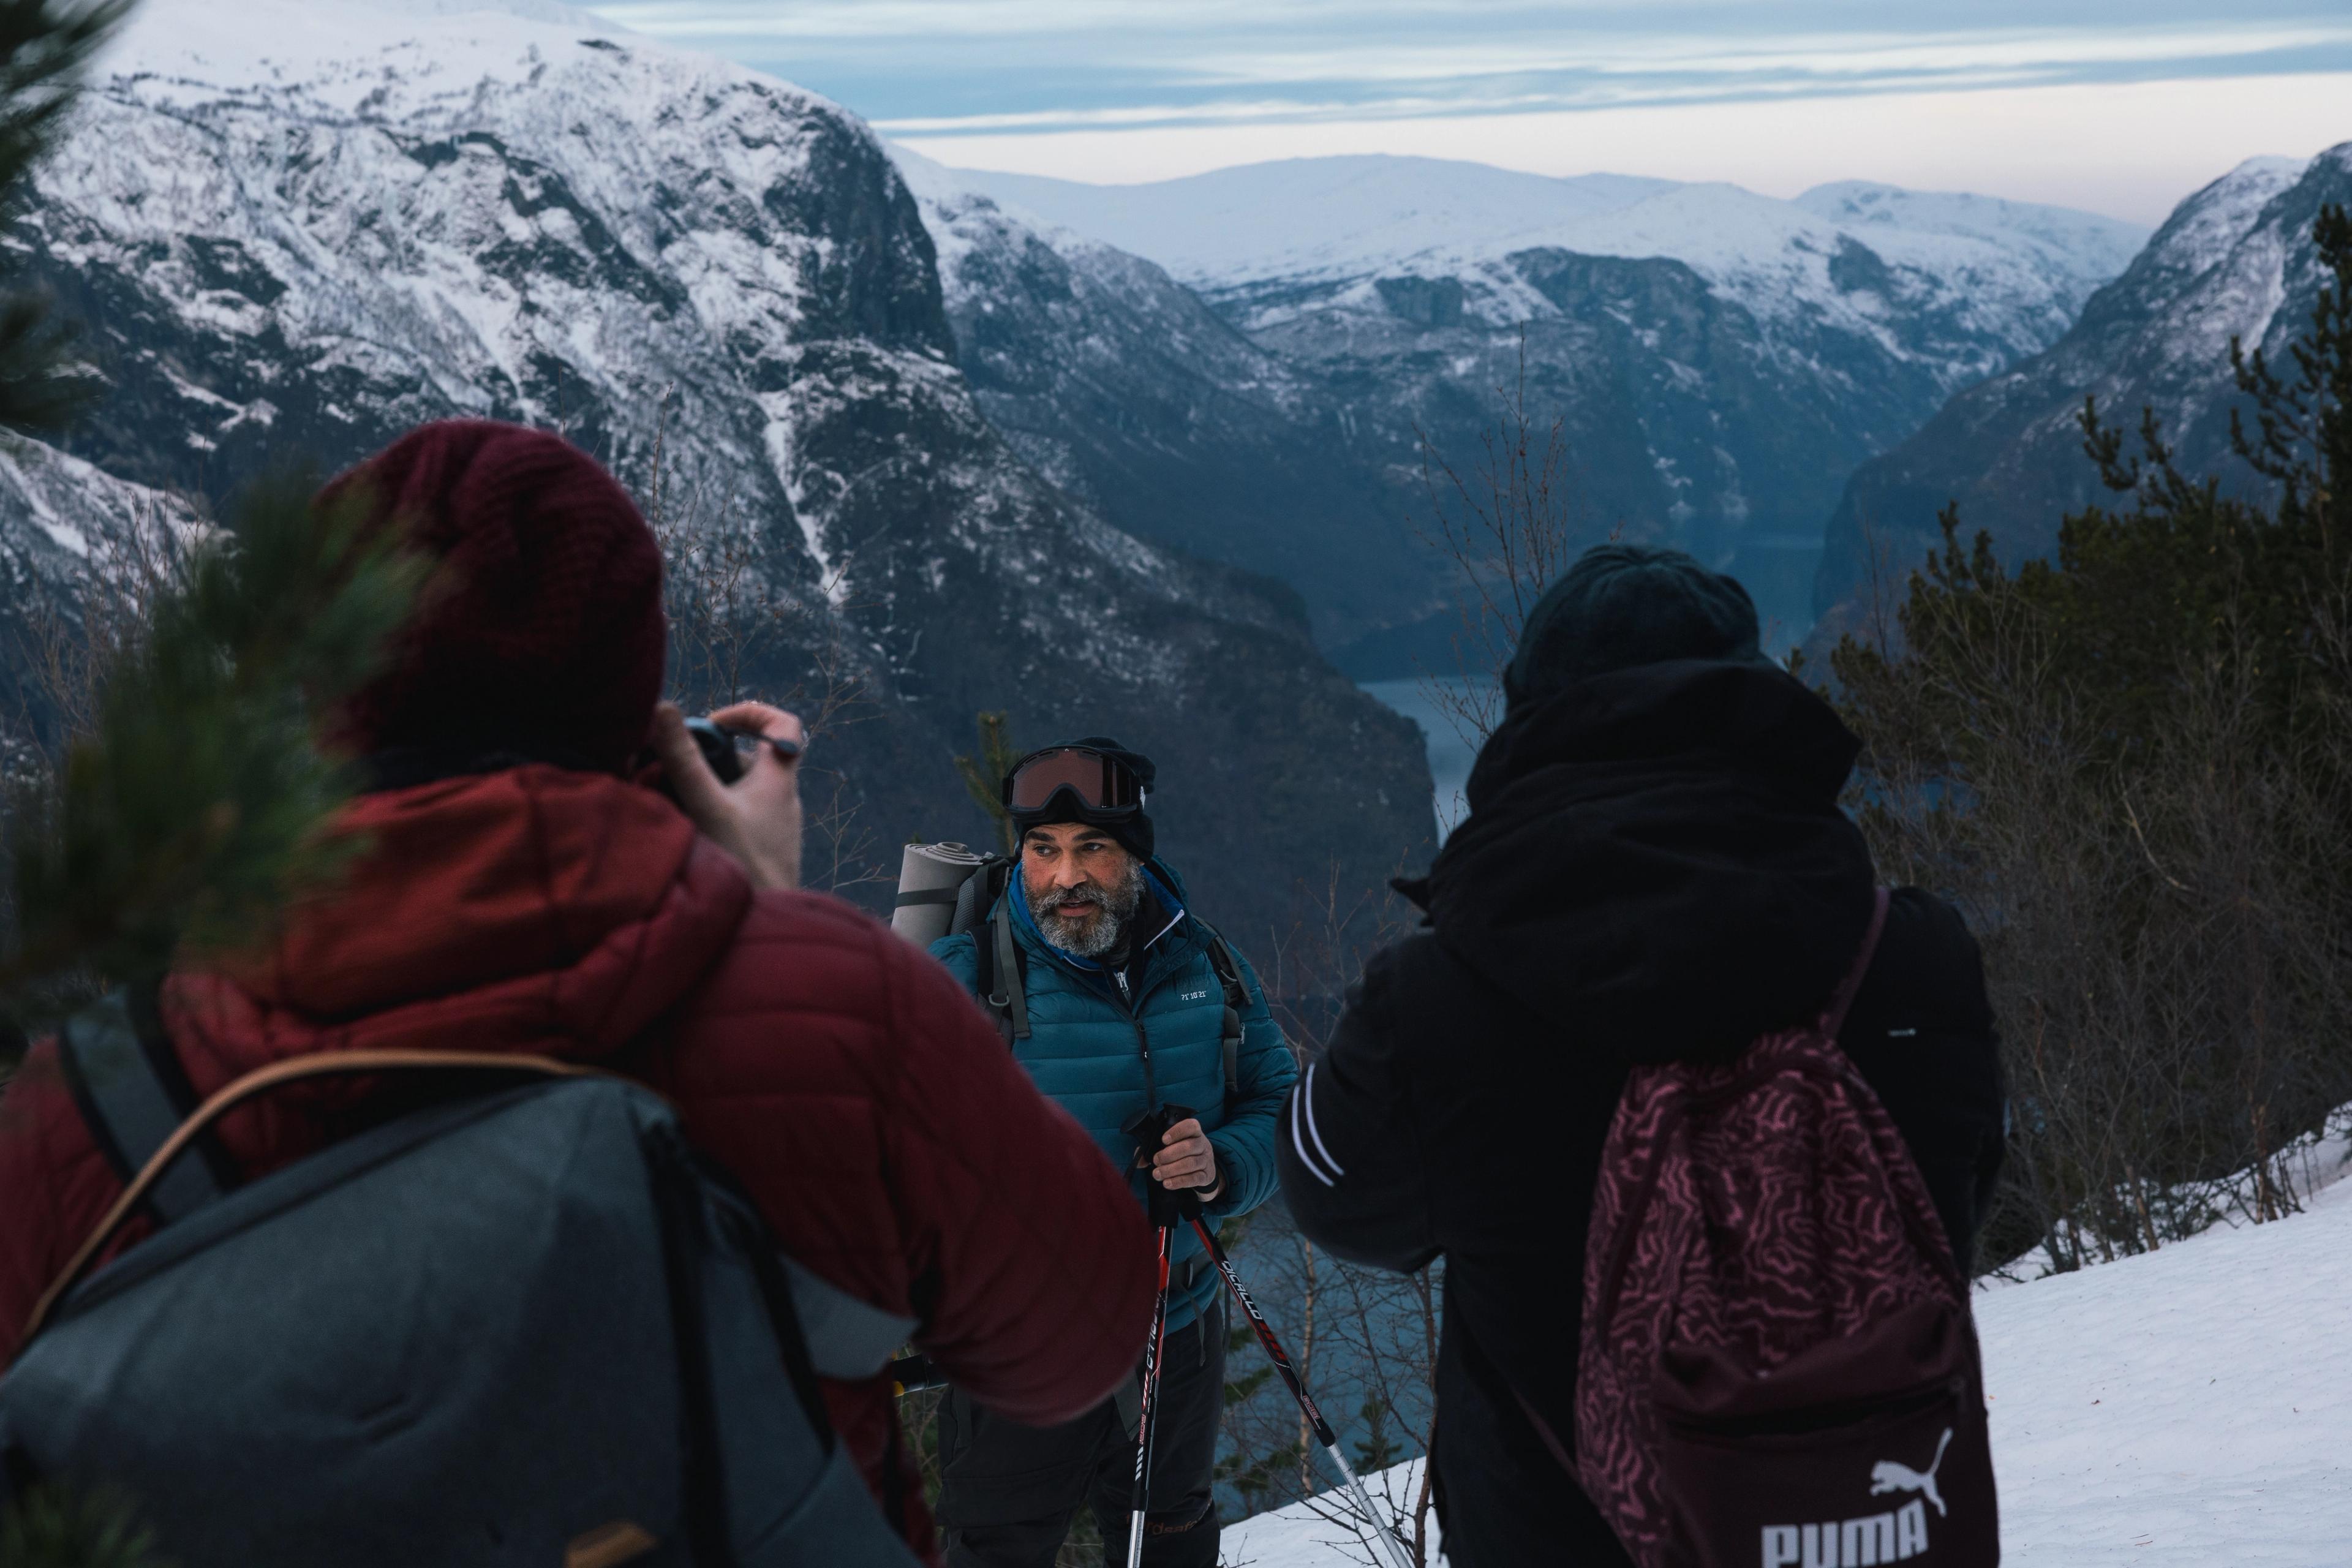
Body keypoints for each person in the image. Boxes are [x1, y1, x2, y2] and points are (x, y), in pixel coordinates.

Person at [0, 420, 1158, 1564]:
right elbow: (1083, 1333)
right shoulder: (831, 1013)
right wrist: (770, 913)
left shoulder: (90, 1100)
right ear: (636, 696)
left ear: (319, 694)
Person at [1277, 544, 2007, 1566]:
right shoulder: (1914, 958)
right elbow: (1960, 1198)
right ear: (1759, 702)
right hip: (1853, 1531)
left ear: (1530, 722)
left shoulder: (1442, 1004)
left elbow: (1327, 1195)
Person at [925, 740, 1296, 1567]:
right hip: (1022, 1343)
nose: (1066, 877)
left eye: (1093, 847)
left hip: (1181, 1321)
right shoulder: (962, 982)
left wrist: (1223, 1165)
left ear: (1136, 855)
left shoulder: (1211, 966)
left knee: (1172, 1537)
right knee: (998, 1550)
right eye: (1043, 850)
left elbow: (1276, 1104)